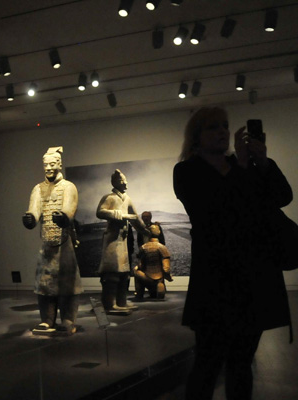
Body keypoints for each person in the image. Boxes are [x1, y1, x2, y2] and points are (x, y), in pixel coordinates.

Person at [173, 107, 292, 400]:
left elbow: (282, 196)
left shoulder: (245, 165)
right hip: (215, 281)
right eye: (213, 127)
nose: (223, 132)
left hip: (254, 279)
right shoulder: (187, 171)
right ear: (196, 137)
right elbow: (217, 211)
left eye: (225, 126)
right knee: (207, 364)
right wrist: (241, 165)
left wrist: (262, 162)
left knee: (242, 364)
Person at [23, 146, 82, 336]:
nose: (48, 167)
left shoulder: (68, 187)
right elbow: (34, 209)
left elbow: (69, 209)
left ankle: (67, 319)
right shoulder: (38, 188)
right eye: (45, 164)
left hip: (64, 244)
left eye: (52, 164)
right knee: (44, 283)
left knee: (67, 283)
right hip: (47, 245)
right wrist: (30, 218)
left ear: (59, 164)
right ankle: (47, 320)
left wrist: (64, 217)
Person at [96, 169, 150, 314]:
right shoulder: (109, 198)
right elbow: (100, 212)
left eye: (125, 180)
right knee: (112, 273)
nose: (125, 183)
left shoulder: (127, 198)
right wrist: (118, 214)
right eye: (122, 181)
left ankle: (121, 302)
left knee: (123, 273)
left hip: (123, 239)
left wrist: (144, 230)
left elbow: (135, 217)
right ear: (114, 183)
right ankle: (109, 304)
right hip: (112, 239)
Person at [133, 224, 173, 299]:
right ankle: (158, 288)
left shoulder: (143, 247)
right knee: (159, 289)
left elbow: (140, 265)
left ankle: (139, 293)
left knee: (136, 270)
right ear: (159, 232)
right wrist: (168, 276)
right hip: (159, 279)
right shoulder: (162, 247)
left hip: (146, 278)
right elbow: (166, 268)